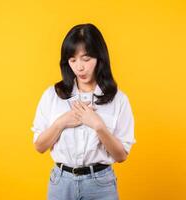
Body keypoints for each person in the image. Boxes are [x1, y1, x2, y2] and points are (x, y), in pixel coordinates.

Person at [31, 23, 136, 200]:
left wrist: (98, 126)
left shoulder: (118, 99)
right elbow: (39, 146)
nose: (79, 67)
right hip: (61, 183)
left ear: (99, 58)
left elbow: (121, 156)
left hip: (101, 185)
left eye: (86, 59)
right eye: (73, 60)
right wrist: (61, 122)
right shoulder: (52, 95)